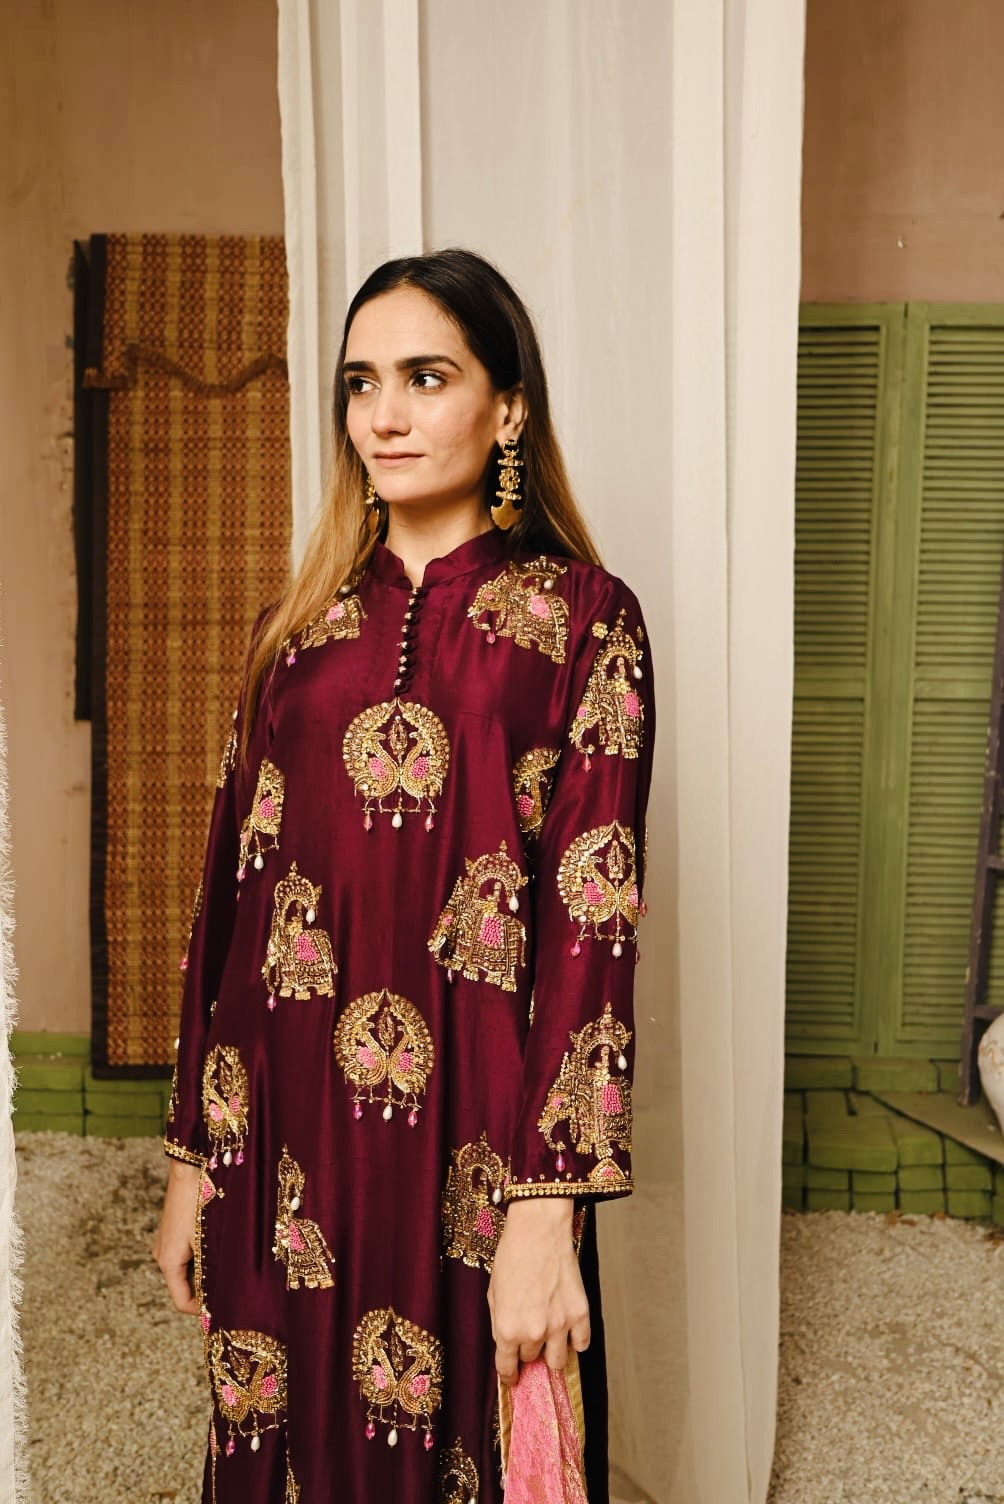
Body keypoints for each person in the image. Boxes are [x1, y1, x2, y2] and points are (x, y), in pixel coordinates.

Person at [152, 247, 654, 1504]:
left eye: (425, 377)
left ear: (508, 408)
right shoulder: (294, 632)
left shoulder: (582, 620)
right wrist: (192, 1158)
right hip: (282, 1134)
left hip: (479, 1143)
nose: (384, 414)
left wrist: (545, 1206)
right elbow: (228, 910)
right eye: (360, 382)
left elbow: (593, 918)